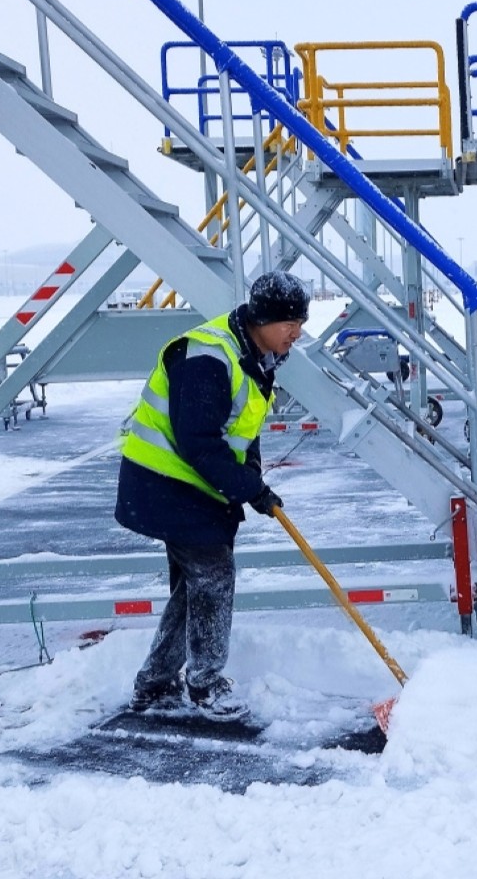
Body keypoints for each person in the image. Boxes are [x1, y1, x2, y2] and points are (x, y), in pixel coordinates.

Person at [115, 271, 308, 720]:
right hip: (166, 482)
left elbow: (242, 425)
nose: (296, 332)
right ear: (260, 318)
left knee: (194, 588)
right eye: (287, 322)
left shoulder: (254, 354)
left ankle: (155, 684)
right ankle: (205, 684)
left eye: (300, 320)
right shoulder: (207, 357)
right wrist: (251, 490)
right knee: (213, 577)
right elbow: (198, 442)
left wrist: (252, 472)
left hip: (194, 484)